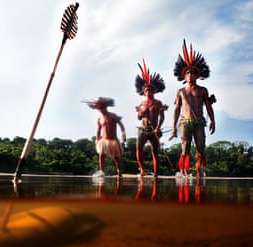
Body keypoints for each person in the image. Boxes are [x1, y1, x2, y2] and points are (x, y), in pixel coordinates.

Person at [170, 39, 216, 185]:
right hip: (185, 122)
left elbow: (208, 106)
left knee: (201, 146)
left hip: (199, 122)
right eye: (188, 72)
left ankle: (199, 169)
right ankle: (184, 171)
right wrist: (173, 127)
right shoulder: (180, 91)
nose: (191, 74)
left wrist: (213, 120)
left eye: (193, 72)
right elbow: (177, 109)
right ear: (184, 76)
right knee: (185, 147)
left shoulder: (203, 90)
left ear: (198, 75)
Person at [134, 59, 167, 200]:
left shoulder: (158, 103)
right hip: (143, 128)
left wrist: (158, 127)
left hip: (154, 130)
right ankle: (142, 169)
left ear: (155, 90)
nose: (149, 90)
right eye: (147, 89)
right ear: (143, 91)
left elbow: (162, 116)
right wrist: (140, 113)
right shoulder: (141, 103)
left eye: (152, 89)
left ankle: (155, 173)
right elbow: (138, 117)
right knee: (139, 148)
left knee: (155, 152)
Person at [86, 97, 126, 178]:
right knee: (101, 155)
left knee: (116, 157)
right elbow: (98, 130)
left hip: (113, 140)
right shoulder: (99, 119)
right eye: (99, 108)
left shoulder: (113, 115)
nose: (101, 109)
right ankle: (102, 172)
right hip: (104, 140)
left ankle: (119, 172)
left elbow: (121, 125)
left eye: (102, 107)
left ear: (105, 107)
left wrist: (123, 134)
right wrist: (97, 139)